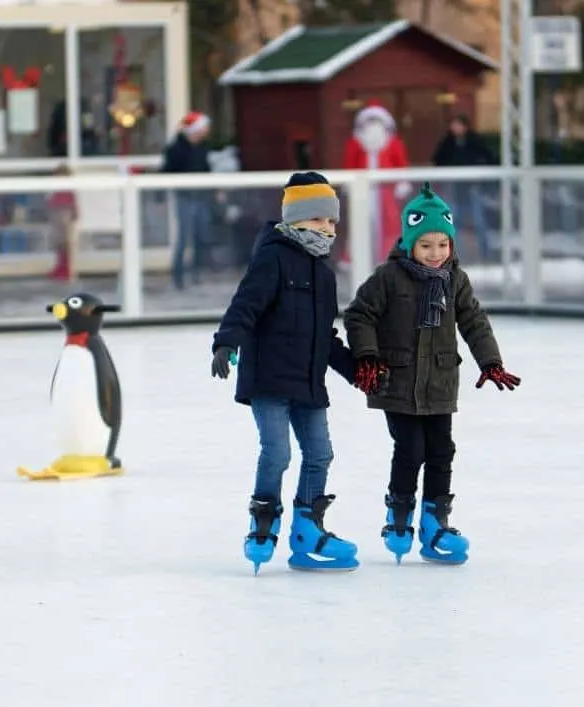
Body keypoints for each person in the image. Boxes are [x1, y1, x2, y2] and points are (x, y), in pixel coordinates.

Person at [343, 181, 521, 566]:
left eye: (443, 244)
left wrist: (490, 361)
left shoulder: (455, 279)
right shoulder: (389, 277)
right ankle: (400, 515)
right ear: (410, 243)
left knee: (442, 450)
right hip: (398, 381)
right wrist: (369, 357)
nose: (435, 253)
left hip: (439, 380)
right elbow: (359, 314)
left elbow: (474, 320)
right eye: (426, 245)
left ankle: (435, 521)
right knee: (410, 450)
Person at [210, 171, 359, 574]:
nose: (326, 229)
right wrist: (226, 341)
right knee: (277, 452)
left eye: (331, 222)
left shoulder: (324, 275)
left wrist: (356, 372)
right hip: (270, 380)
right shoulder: (272, 257)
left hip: (308, 382)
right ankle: (263, 520)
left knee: (320, 453)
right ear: (294, 221)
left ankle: (307, 528)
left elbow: (326, 337)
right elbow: (246, 304)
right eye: (317, 220)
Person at [341, 100, 412, 265]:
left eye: (376, 122)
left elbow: (401, 163)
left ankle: (390, 255)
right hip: (362, 188)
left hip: (385, 189)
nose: (373, 126)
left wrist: (402, 182)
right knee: (360, 221)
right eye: (370, 122)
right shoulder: (355, 143)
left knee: (390, 222)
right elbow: (349, 164)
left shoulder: (393, 142)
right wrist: (349, 183)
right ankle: (355, 257)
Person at [431, 114, 496, 261]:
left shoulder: (475, 141)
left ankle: (485, 252)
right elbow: (438, 159)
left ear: (464, 126)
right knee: (453, 221)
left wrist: (480, 175)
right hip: (453, 187)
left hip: (472, 187)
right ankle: (453, 253)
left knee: (479, 220)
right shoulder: (447, 142)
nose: (454, 128)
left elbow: (488, 157)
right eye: (453, 125)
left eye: (457, 125)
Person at [161, 111, 212, 290]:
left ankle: (196, 273)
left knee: (201, 235)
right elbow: (167, 171)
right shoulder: (176, 149)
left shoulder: (203, 147)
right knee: (184, 237)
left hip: (201, 196)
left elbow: (206, 169)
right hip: (184, 197)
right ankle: (179, 275)